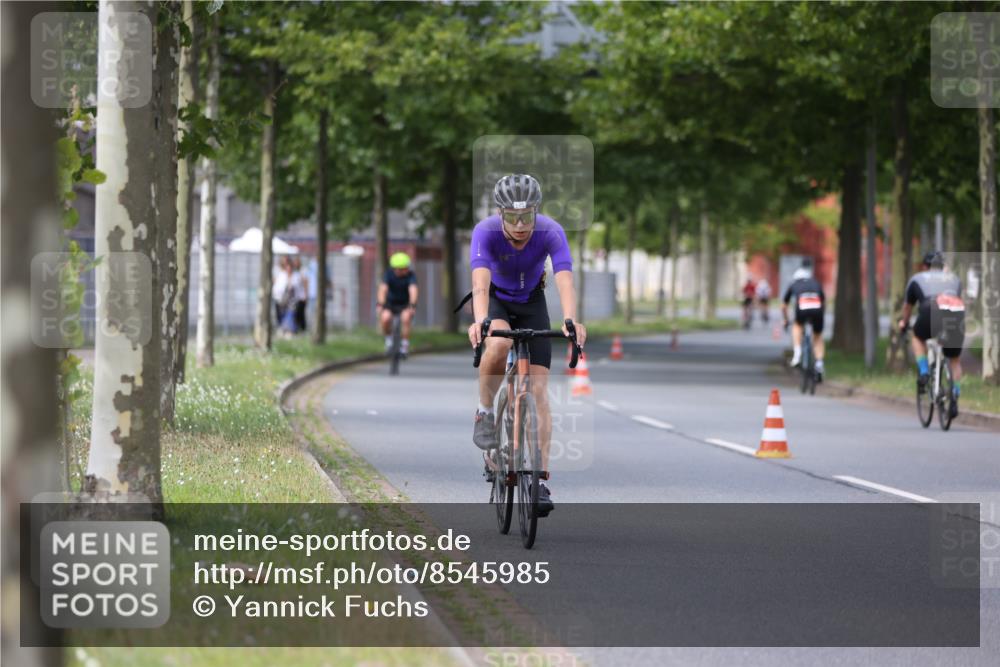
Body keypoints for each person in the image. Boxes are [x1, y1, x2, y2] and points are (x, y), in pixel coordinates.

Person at [466, 173, 587, 518]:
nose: (520, 225)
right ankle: (485, 410)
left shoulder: (551, 231)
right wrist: (480, 321)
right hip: (498, 302)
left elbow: (564, 277)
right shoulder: (484, 232)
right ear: (500, 213)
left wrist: (570, 319)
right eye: (512, 217)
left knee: (538, 392)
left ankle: (539, 479)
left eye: (527, 217)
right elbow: (479, 283)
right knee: (499, 344)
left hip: (532, 303)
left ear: (537, 211)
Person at [897, 251, 965, 418]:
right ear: (943, 267)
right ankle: (955, 395)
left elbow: (908, 307)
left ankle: (924, 372)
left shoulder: (917, 278)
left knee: (917, 337)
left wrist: (904, 323)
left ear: (924, 266)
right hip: (955, 311)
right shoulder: (954, 279)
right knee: (955, 360)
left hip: (930, 308)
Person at [782, 264, 825, 380]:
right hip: (817, 309)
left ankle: (797, 353)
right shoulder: (816, 283)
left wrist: (785, 320)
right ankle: (819, 364)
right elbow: (823, 301)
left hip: (802, 309)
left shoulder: (794, 284)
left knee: (797, 326)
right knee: (817, 337)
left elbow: (784, 305)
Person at [377, 252, 418, 356]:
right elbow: (383, 289)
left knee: (406, 318)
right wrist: (381, 304)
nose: (407, 269)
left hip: (404, 304)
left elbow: (413, 290)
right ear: (398, 268)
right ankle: (389, 341)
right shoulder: (388, 274)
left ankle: (404, 346)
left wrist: (412, 305)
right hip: (390, 303)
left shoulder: (411, 275)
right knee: (385, 318)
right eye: (405, 268)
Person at [292, 256, 309, 334]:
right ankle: (296, 328)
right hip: (295, 297)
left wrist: (306, 295)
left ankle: (303, 328)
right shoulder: (294, 272)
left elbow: (305, 283)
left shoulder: (303, 271)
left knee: (301, 313)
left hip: (302, 296)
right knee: (296, 313)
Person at [272, 256, 290, 327]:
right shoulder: (277, 270)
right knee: (278, 312)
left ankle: (285, 326)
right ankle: (280, 325)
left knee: (284, 311)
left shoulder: (288, 270)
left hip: (285, 295)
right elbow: (274, 280)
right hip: (277, 295)